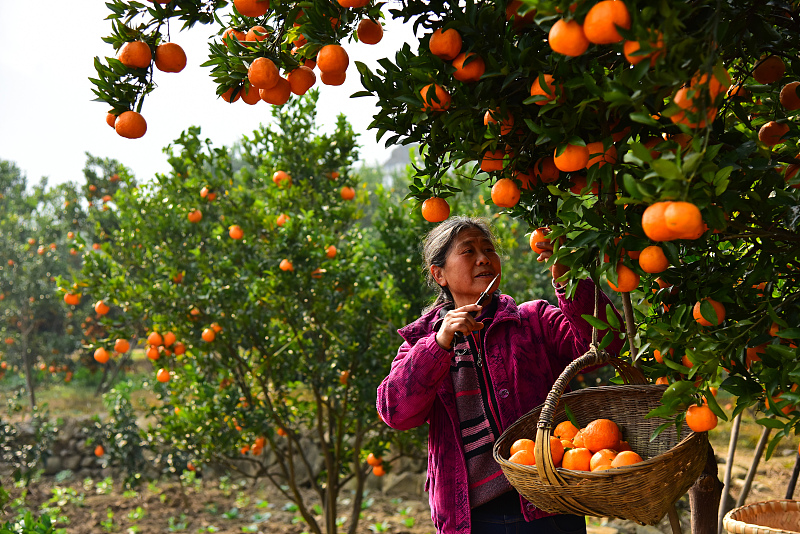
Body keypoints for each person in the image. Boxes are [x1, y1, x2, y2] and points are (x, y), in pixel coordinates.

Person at [376, 216, 623, 534]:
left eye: (488, 249)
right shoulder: (421, 341)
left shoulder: (532, 320)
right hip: (472, 519)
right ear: (439, 274)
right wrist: (439, 344)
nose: (483, 258)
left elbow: (605, 344)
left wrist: (570, 277)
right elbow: (395, 412)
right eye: (468, 251)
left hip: (549, 506)